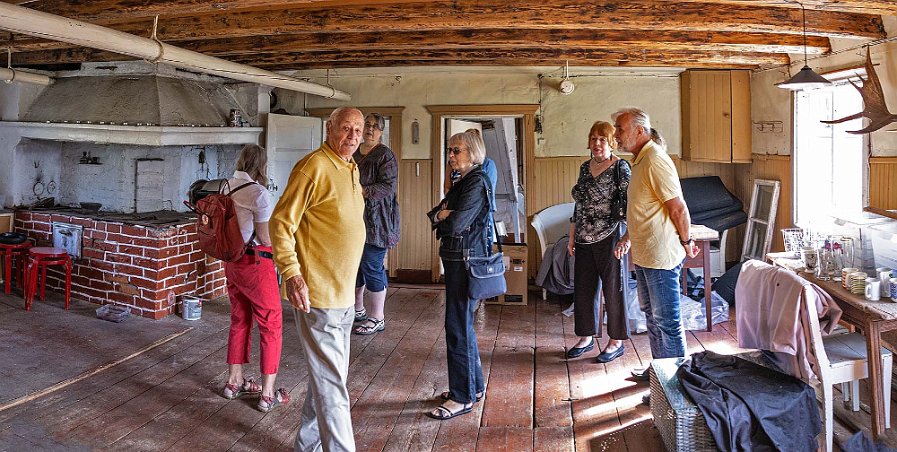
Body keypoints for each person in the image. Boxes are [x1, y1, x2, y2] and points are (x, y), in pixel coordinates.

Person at [270, 107, 366, 452]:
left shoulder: (351, 167)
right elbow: (280, 223)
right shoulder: (313, 167)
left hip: (344, 296)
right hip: (318, 294)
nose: (353, 135)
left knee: (329, 379)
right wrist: (292, 273)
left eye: (358, 129)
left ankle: (307, 445)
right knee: (332, 386)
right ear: (329, 128)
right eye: (346, 128)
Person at [610, 108, 699, 385]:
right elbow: (642, 211)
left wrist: (687, 242)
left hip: (661, 256)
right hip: (646, 254)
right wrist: (627, 239)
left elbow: (678, 209)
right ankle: (660, 374)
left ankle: (674, 388)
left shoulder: (656, 160)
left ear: (639, 130)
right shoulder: (640, 160)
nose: (616, 135)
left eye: (620, 129)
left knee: (668, 324)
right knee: (652, 317)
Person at [426, 129, 491, 420]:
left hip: (465, 261)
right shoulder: (462, 181)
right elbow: (435, 214)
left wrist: (446, 215)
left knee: (457, 326)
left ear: (473, 153)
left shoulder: (475, 182)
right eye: (450, 150)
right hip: (457, 259)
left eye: (457, 151)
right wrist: (444, 214)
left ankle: (462, 396)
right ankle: (473, 387)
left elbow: (453, 224)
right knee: (462, 324)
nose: (451, 156)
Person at [220, 144, 289, 412]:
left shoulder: (226, 186)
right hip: (255, 264)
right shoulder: (258, 194)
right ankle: (268, 394)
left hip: (232, 262)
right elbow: (264, 238)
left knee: (240, 320)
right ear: (261, 166)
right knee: (271, 324)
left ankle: (233, 382)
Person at [565, 121, 631, 363]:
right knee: (583, 289)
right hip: (583, 236)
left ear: (612, 142)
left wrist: (628, 237)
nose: (597, 144)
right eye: (593, 139)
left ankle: (616, 341)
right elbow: (579, 204)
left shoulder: (620, 167)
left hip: (610, 235)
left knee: (614, 290)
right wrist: (572, 235)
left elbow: (630, 203)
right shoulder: (585, 168)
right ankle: (586, 336)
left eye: (602, 139)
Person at [352, 113, 401, 335]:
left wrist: (362, 191)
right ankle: (358, 309)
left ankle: (377, 317)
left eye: (375, 127)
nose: (370, 130)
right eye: (367, 125)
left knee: (372, 265)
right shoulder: (352, 151)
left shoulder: (385, 156)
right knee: (356, 266)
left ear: (381, 131)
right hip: (353, 219)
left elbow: (387, 187)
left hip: (378, 221)